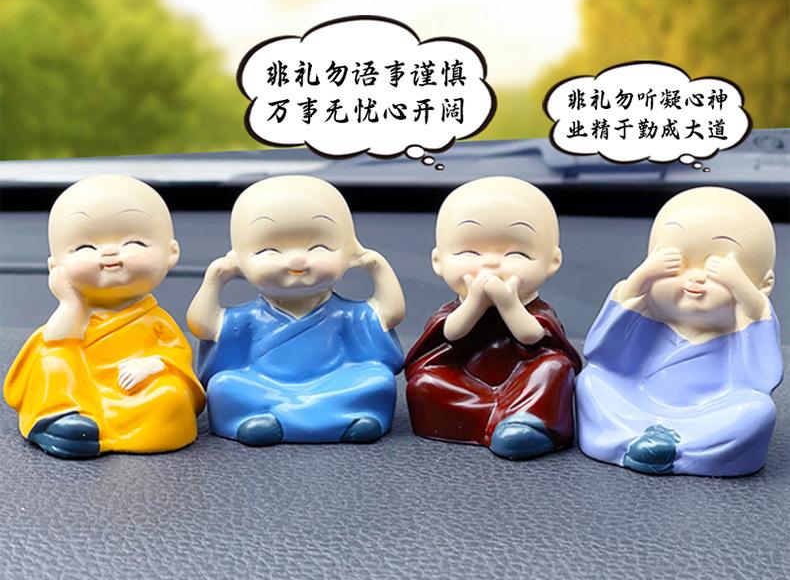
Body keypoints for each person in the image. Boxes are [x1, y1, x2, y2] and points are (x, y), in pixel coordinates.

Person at [576, 187, 783, 477]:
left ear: (763, 284)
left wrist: (746, 295)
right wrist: (638, 281)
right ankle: (633, 442)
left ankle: (678, 450)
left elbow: (761, 379)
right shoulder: (648, 312)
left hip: (709, 415)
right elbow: (601, 353)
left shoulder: (744, 326)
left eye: (717, 268)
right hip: (638, 402)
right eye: (675, 264)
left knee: (757, 411)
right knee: (592, 381)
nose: (695, 278)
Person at [188, 176, 405, 446]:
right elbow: (202, 326)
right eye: (269, 250)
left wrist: (377, 267)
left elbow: (390, 314)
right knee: (224, 384)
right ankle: (340, 419)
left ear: (348, 252)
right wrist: (214, 280)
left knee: (378, 377)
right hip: (265, 384)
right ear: (238, 259)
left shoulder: (345, 315)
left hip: (335, 380)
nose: (296, 260)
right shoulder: (250, 318)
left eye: (318, 247)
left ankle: (276, 420)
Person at [4, 175, 205, 458]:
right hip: (78, 390)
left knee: (171, 395)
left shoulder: (154, 319)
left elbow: (177, 354)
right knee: (52, 360)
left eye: (134, 242)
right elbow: (58, 340)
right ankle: (59, 419)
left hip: (133, 389)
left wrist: (152, 364)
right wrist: (70, 303)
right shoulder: (76, 313)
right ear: (55, 265)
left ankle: (100, 434)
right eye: (85, 247)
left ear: (171, 253)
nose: (109, 252)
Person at [405, 177, 581, 460]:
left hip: (523, 381)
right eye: (469, 252)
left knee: (554, 368)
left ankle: (528, 423)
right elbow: (452, 334)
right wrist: (475, 302)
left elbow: (531, 336)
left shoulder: (536, 310)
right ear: (438, 261)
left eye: (516, 253)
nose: (490, 263)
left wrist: (508, 303)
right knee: (424, 383)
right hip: (466, 382)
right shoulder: (454, 309)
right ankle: (499, 420)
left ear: (552, 262)